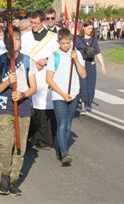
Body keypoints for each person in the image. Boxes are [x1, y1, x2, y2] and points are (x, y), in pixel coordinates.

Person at [0, 27, 37, 196]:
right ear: (5, 43)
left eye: (17, 40)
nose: (14, 43)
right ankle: (4, 174)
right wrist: (7, 82)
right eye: (10, 41)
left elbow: (34, 87)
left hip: (23, 107)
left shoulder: (27, 61)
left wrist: (23, 94)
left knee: (20, 145)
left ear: (20, 42)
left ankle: (13, 178)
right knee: (7, 142)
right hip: (5, 106)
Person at [46, 28, 86, 166]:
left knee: (68, 124)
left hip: (73, 92)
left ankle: (61, 147)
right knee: (62, 123)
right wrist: (62, 94)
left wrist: (75, 60)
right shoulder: (54, 56)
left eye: (68, 42)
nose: (65, 45)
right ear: (58, 42)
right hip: (59, 94)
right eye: (63, 43)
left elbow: (83, 74)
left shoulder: (76, 54)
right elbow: (49, 79)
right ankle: (64, 152)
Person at [21, 11, 58, 150]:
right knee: (31, 107)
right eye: (32, 22)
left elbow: (57, 54)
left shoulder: (52, 38)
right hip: (30, 74)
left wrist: (47, 60)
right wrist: (32, 62)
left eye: (36, 23)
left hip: (46, 75)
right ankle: (32, 136)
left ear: (43, 22)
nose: (34, 25)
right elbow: (22, 55)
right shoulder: (25, 37)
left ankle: (45, 138)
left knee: (45, 107)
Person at [76, 21, 107, 114]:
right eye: (88, 28)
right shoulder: (77, 39)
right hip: (81, 64)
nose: (90, 30)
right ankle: (83, 106)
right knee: (83, 85)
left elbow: (97, 52)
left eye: (91, 28)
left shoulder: (93, 40)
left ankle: (89, 104)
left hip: (91, 65)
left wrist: (103, 65)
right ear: (84, 28)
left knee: (91, 86)